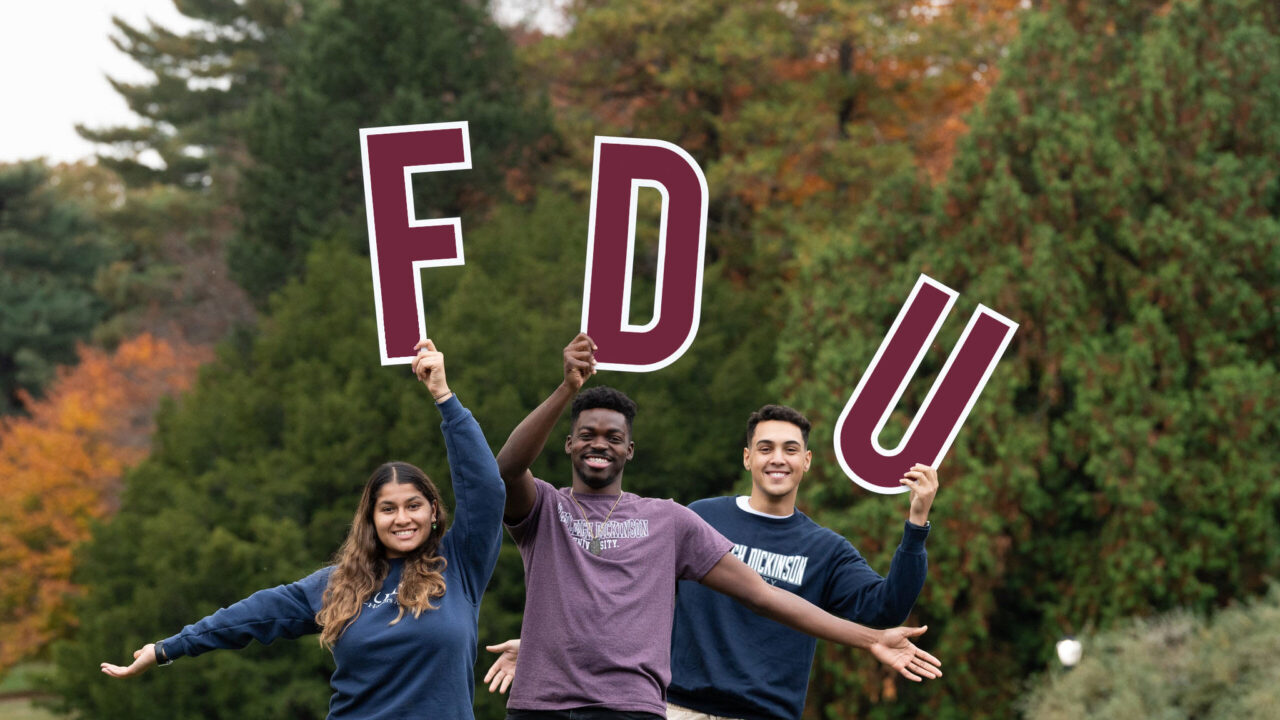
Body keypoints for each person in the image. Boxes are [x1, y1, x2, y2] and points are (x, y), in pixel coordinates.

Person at [491, 333, 940, 720]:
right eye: (765, 447)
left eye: (789, 448)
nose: (777, 458)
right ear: (747, 458)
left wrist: (874, 633)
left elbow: (772, 597)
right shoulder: (562, 509)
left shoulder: (679, 521)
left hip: (702, 710)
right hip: (633, 706)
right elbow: (509, 472)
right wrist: (566, 389)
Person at [100, 339, 506, 720]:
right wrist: (167, 648)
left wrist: (445, 398)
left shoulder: (460, 565)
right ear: (371, 519)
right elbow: (249, 618)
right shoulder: (338, 585)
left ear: (434, 512)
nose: (402, 518)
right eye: (388, 509)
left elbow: (485, 489)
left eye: (413, 505)